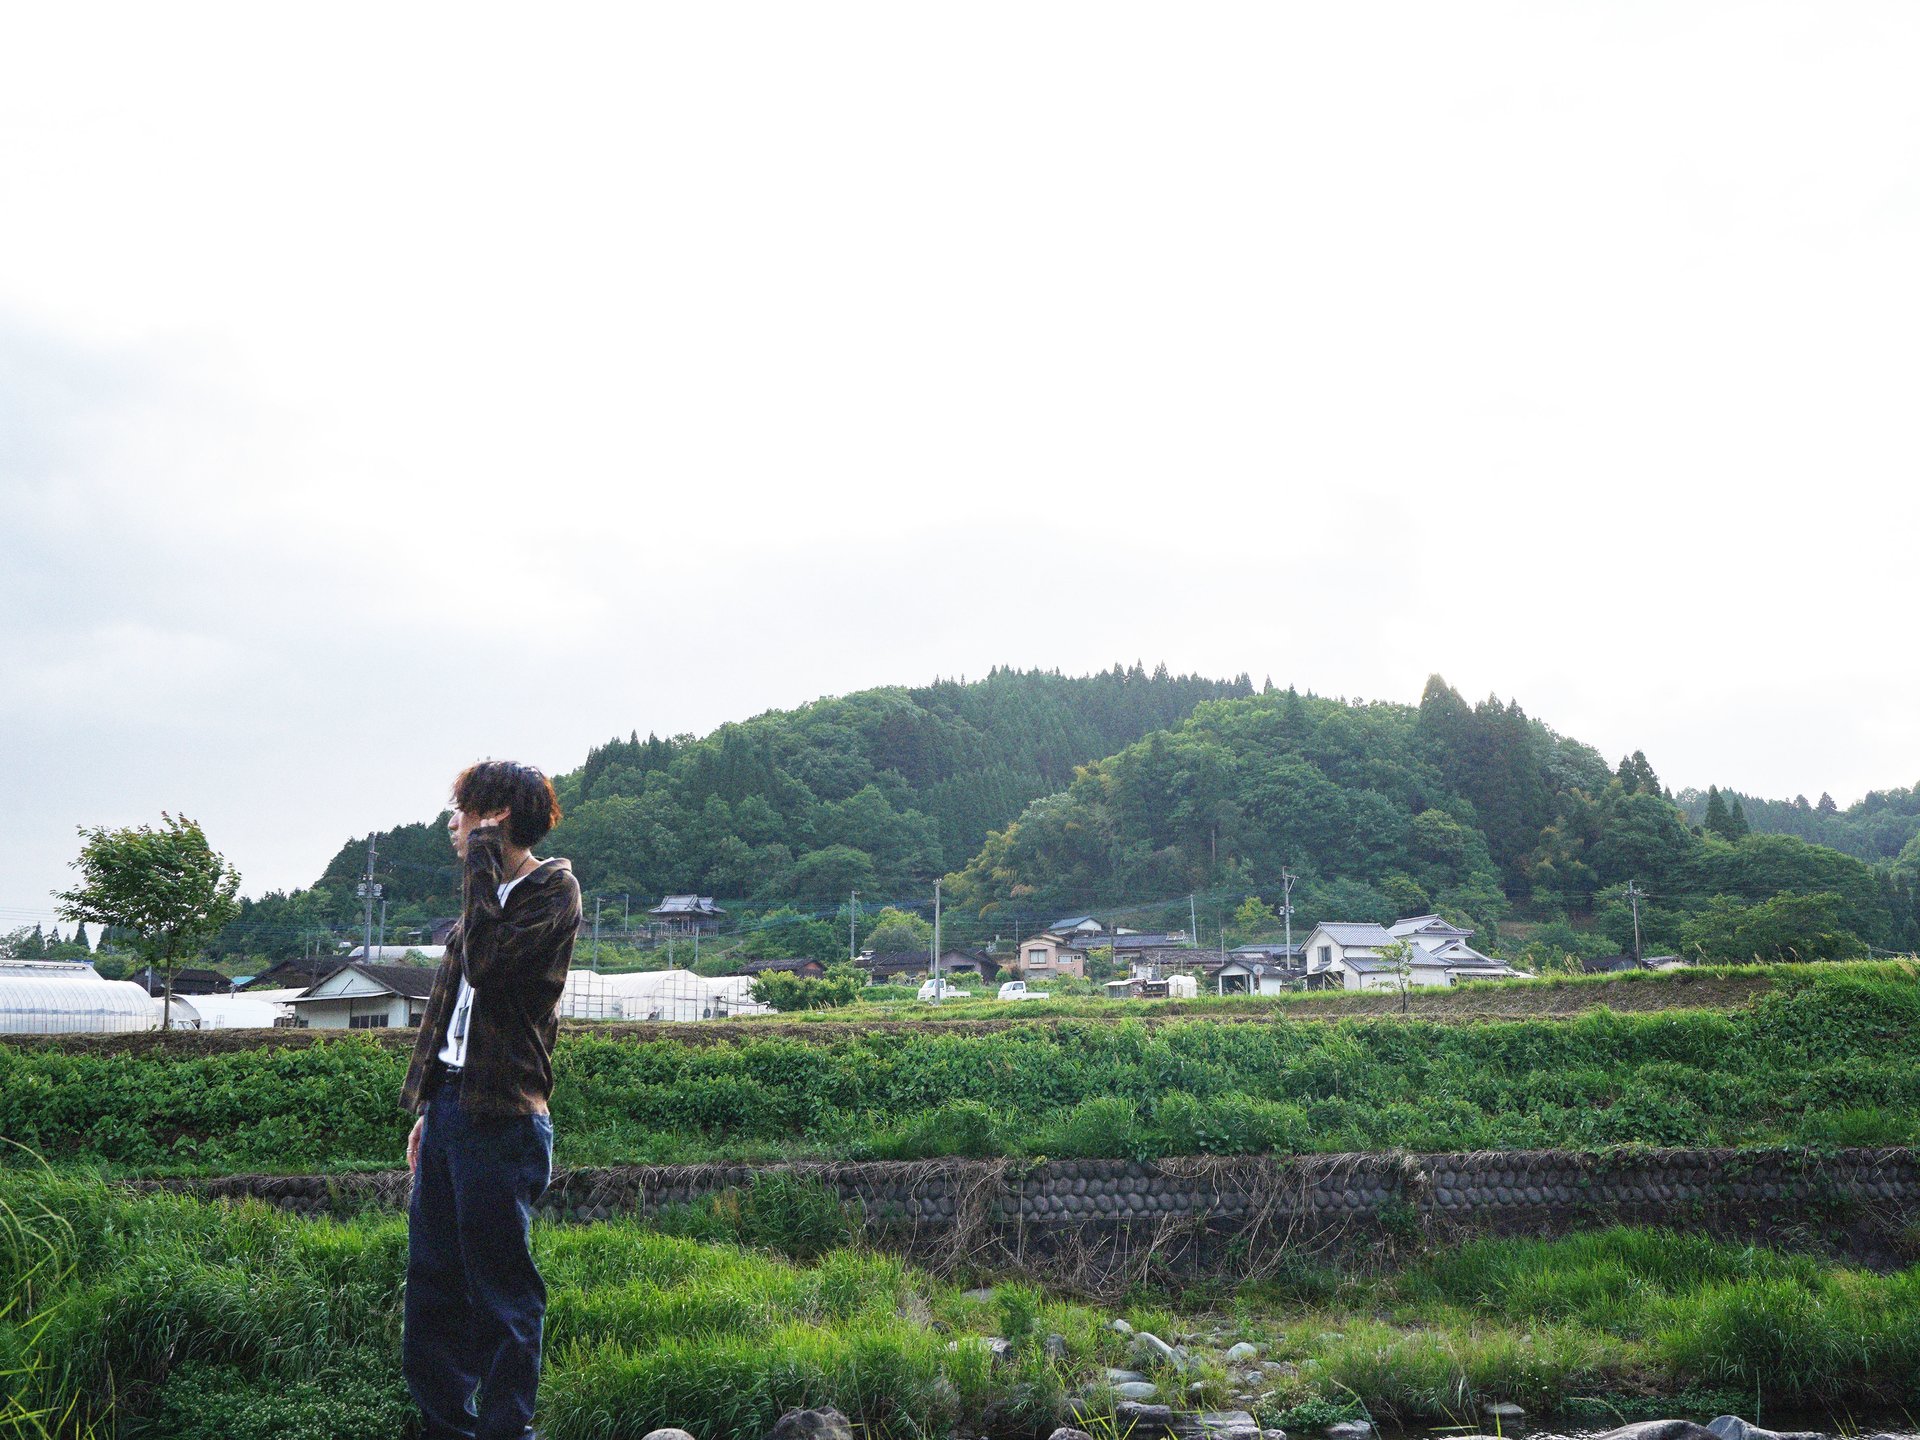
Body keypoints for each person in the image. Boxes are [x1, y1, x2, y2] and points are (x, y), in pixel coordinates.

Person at [400, 760, 581, 1440]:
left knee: (502, 1293)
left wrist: (482, 861)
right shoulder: (485, 899)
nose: (453, 822)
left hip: (503, 1116)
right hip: (452, 1106)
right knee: (434, 1288)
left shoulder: (552, 890)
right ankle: (444, 1430)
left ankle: (508, 1433)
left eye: (465, 811)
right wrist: (427, 1108)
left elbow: (490, 967)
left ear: (497, 818)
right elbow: (451, 1016)